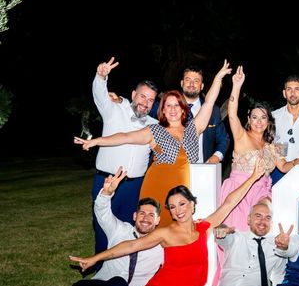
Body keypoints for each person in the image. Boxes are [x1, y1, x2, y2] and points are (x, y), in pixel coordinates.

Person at [68, 160, 267, 286]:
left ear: (192, 204)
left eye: (182, 204)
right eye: (172, 207)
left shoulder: (203, 227)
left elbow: (230, 202)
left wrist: (254, 176)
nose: (178, 210)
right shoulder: (165, 233)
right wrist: (95, 258)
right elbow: (130, 246)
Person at [0, 168, 163, 286]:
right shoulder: (119, 230)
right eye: (142, 213)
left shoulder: (163, 247)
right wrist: (106, 193)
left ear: (158, 221)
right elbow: (102, 211)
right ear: (134, 216)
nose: (146, 218)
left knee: (118, 285)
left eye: (151, 215)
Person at [75, 60, 232, 227]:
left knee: (179, 232)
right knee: (152, 233)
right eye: (168, 105)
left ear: (183, 109)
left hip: (182, 192)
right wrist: (97, 141)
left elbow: (208, 102)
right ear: (162, 110)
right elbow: (125, 136)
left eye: (177, 105)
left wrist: (219, 77)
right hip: (157, 187)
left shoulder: (194, 129)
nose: (172, 109)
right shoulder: (155, 130)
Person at [219, 66, 299, 231]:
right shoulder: (241, 136)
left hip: (262, 197)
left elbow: (283, 167)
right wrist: (236, 86)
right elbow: (231, 114)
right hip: (239, 194)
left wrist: (296, 161)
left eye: (263, 118)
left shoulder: (274, 145)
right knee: (237, 239)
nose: (259, 121)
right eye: (255, 117)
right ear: (249, 119)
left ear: (268, 121)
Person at [89, 56, 159, 255]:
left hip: (135, 185)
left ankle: (124, 267)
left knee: (129, 227)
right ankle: (101, 266)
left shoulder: (153, 125)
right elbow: (100, 96)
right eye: (142, 96)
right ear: (133, 94)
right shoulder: (113, 109)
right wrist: (101, 77)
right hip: (106, 180)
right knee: (102, 224)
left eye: (150, 100)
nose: (145, 103)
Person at [178, 64, 231, 164]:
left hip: (202, 168)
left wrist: (216, 156)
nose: (191, 84)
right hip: (172, 168)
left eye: (196, 81)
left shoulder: (213, 111)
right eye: (188, 80)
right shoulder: (169, 106)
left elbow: (224, 138)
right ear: (182, 83)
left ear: (202, 86)